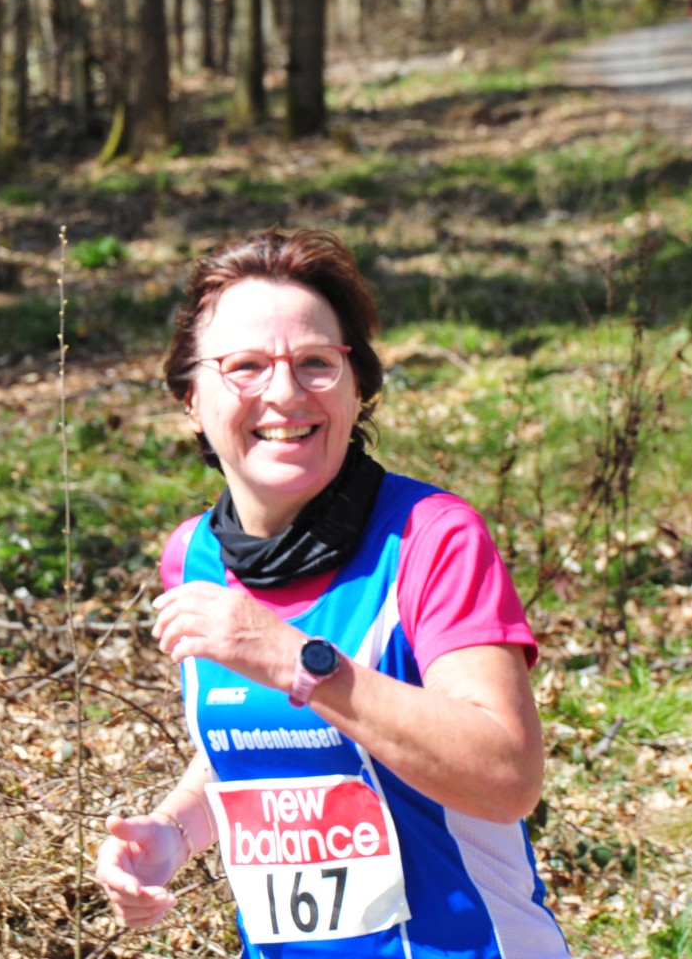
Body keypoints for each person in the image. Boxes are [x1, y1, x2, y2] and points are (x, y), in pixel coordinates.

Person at [94, 227, 569, 957]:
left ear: (357, 388)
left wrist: (299, 662)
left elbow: (506, 777)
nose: (284, 393)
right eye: (245, 366)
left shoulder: (430, 538)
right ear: (191, 398)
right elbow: (260, 740)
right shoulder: (193, 558)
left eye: (316, 363)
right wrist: (174, 832)